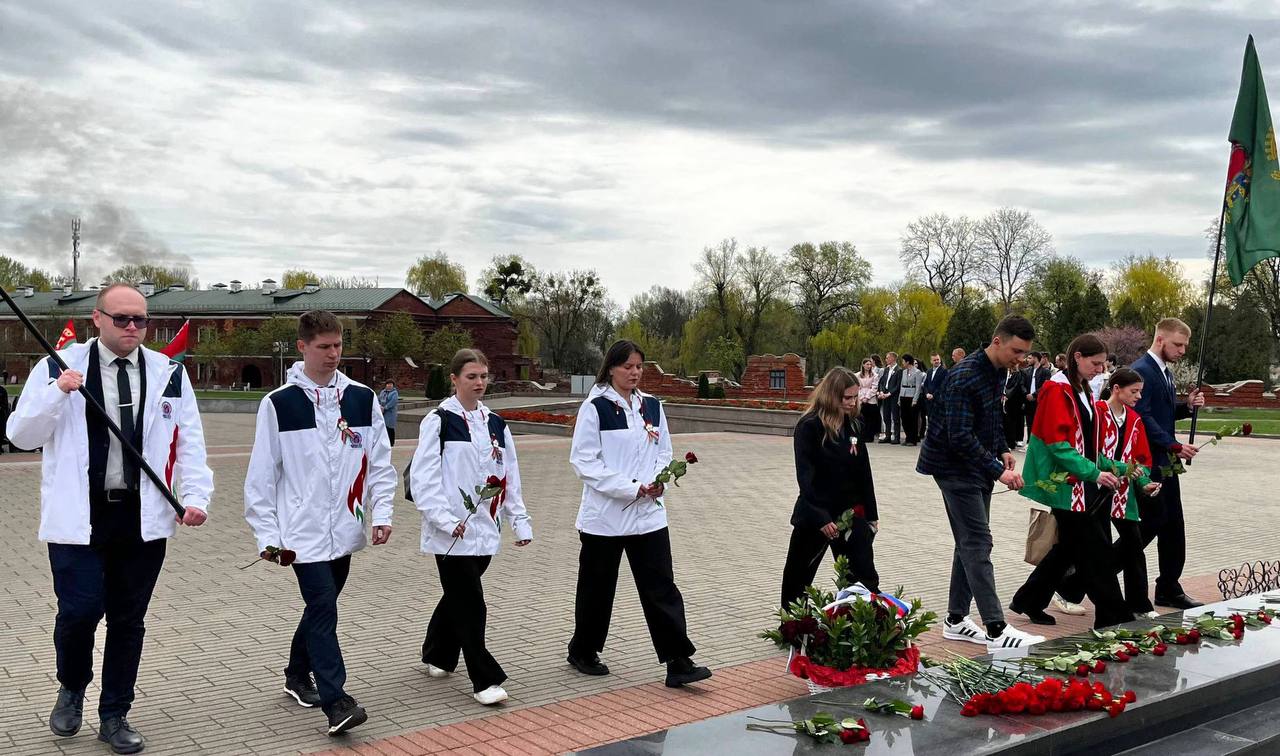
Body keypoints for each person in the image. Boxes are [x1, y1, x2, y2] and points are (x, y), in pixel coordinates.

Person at [8, 283, 213, 754]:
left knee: (128, 620)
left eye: (140, 319)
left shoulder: (169, 373)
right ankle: (71, 685)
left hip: (141, 517)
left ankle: (115, 713)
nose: (132, 327)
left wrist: (196, 496)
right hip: (79, 518)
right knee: (79, 611)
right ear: (97, 319)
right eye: (122, 318)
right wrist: (57, 393)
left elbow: (190, 442)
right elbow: (20, 435)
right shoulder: (57, 366)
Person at [244, 310, 397, 737]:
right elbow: (261, 477)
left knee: (320, 607)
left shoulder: (361, 398)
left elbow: (379, 463)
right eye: (324, 347)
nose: (333, 354)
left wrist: (382, 513)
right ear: (302, 347)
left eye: (338, 346)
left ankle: (296, 673)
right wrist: (268, 537)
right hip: (300, 533)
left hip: (345, 529)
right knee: (324, 607)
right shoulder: (279, 404)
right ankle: (337, 701)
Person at [566, 340, 712, 688]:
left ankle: (678, 660)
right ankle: (583, 650)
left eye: (639, 367)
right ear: (611, 368)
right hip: (606, 518)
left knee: (661, 587)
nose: (634, 373)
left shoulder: (651, 406)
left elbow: (663, 451)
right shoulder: (596, 407)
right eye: (627, 366)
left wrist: (659, 480)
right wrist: (631, 487)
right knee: (597, 589)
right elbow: (584, 462)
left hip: (648, 516)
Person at [410, 349, 533, 705]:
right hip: (451, 532)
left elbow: (510, 476)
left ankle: (437, 652)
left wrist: (519, 521)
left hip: (485, 528)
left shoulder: (496, 424)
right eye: (471, 377)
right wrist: (445, 520)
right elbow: (423, 478)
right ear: (454, 379)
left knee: (458, 596)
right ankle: (484, 678)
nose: (479, 383)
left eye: (483, 376)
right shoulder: (439, 421)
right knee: (471, 603)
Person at [917, 315, 1045, 651]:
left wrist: (1002, 448)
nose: (1021, 359)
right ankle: (996, 629)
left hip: (976, 466)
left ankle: (956, 620)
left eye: (1025, 353)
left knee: (969, 542)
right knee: (978, 542)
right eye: (1016, 351)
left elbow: (991, 416)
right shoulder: (965, 375)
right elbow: (959, 435)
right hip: (953, 467)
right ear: (997, 341)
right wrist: (998, 471)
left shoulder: (998, 370)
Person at [1009, 334, 1134, 630]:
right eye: (1095, 363)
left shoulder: (1082, 390)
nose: (1100, 370)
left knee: (1069, 548)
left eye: (1103, 364)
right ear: (1077, 357)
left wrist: (1116, 467)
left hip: (1079, 482)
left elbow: (1087, 443)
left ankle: (1029, 599)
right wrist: (1095, 473)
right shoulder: (1057, 389)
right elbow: (1058, 444)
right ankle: (1114, 617)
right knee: (1097, 551)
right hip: (1067, 485)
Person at [780, 368, 879, 609]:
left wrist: (871, 515)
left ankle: (862, 621)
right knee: (797, 579)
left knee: (863, 577)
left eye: (855, 397)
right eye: (847, 397)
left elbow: (864, 473)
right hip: (816, 514)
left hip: (851, 512)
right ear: (831, 396)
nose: (852, 402)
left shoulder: (854, 424)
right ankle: (794, 624)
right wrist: (821, 517)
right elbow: (806, 478)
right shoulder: (809, 426)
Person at [1125, 319, 1206, 608]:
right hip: (1149, 463)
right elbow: (1142, 417)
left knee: (1172, 526)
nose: (1182, 351)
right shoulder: (1142, 371)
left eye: (1185, 345)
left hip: (1166, 461)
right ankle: (1083, 576)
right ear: (1160, 340)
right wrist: (1174, 445)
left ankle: (1168, 587)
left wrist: (1187, 406)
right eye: (1178, 344)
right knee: (1150, 526)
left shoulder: (1164, 372)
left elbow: (1162, 413)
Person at [1095, 368, 1162, 618]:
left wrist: (1144, 482)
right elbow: (1090, 453)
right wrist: (1124, 468)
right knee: (1081, 548)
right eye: (1134, 391)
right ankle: (1055, 589)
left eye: (1140, 392)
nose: (1138, 397)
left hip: (1124, 495)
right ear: (1116, 389)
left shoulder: (1134, 420)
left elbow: (1141, 458)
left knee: (1134, 546)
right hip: (1095, 489)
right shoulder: (1096, 413)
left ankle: (1139, 604)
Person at [1023, 352, 1051, 443]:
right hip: (1028, 400)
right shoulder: (1026, 371)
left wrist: (1034, 395)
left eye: (1030, 358)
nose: (1027, 360)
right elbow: (1022, 384)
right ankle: (1029, 442)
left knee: (1039, 422)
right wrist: (1027, 394)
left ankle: (1039, 442)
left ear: (1035, 358)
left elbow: (1045, 385)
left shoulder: (1045, 371)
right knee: (1029, 422)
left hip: (1039, 401)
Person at [920, 353, 947, 441]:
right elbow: (925, 384)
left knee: (938, 419)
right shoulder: (929, 371)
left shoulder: (944, 371)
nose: (936, 361)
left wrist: (933, 395)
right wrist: (926, 393)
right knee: (930, 418)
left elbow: (942, 386)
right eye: (934, 360)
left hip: (938, 399)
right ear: (931, 361)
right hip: (928, 400)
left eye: (938, 359)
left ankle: (938, 438)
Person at [898, 355, 924, 446]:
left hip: (912, 396)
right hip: (903, 395)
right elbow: (901, 385)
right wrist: (899, 398)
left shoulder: (917, 372)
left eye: (903, 361)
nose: (902, 363)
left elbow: (918, 387)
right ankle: (908, 437)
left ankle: (913, 439)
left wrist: (915, 399)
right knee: (904, 418)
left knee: (912, 418)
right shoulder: (904, 371)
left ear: (908, 362)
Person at [876, 351, 901, 444]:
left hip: (893, 396)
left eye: (887, 358)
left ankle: (897, 437)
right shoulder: (886, 369)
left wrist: (889, 393)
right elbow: (882, 382)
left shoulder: (899, 370)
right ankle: (887, 435)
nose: (886, 359)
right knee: (886, 416)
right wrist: (881, 391)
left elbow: (898, 385)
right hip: (885, 395)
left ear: (893, 358)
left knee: (895, 417)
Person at [1002, 358, 1026, 451]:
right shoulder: (1006, 373)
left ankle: (1011, 443)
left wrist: (1007, 395)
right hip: (1006, 400)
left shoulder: (1018, 374)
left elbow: (1015, 387)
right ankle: (1007, 442)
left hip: (1014, 401)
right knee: (1006, 422)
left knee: (1011, 422)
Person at [855, 358, 881, 441]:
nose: (869, 366)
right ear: (863, 365)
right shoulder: (857, 375)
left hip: (871, 398)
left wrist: (867, 397)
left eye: (870, 364)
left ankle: (870, 436)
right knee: (861, 417)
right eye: (867, 364)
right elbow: (857, 387)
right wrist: (862, 397)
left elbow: (874, 387)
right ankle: (862, 435)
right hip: (861, 398)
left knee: (871, 418)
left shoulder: (875, 375)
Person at [378, 379, 400, 446]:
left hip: (390, 413)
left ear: (393, 385)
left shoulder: (394, 393)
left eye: (391, 384)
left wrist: (385, 407)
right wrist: (379, 406)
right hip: (382, 412)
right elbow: (379, 399)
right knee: (384, 427)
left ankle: (391, 442)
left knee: (390, 427)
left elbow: (393, 402)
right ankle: (384, 441)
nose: (389, 385)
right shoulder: (383, 392)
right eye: (388, 384)